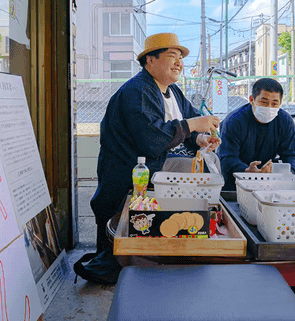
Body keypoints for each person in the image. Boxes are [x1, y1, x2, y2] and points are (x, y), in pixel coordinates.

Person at [89, 32, 220, 255]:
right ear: (150, 59)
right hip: (132, 171)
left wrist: (200, 137)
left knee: (209, 166)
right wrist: (194, 124)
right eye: (172, 55)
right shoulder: (138, 91)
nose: (179, 63)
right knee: (117, 249)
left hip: (159, 164)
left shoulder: (172, 91)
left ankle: (191, 235)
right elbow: (152, 139)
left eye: (181, 57)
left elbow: (186, 126)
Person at [218, 78, 295, 191]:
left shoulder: (284, 120)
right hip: (237, 175)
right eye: (263, 102)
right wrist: (247, 171)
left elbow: (291, 154)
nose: (269, 107)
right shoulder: (234, 120)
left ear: (280, 103)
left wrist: (288, 172)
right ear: (251, 100)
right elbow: (227, 157)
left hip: (270, 175)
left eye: (274, 103)